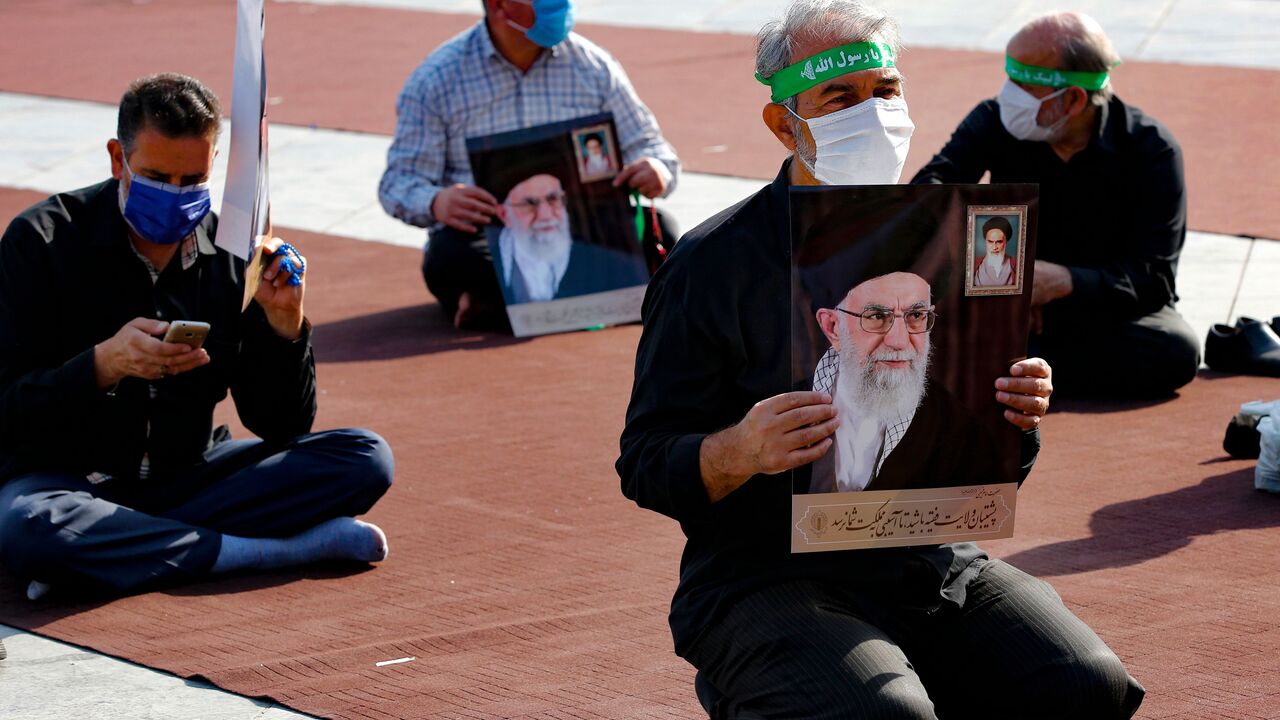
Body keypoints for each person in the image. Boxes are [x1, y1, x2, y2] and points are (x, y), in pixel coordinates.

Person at [617, 2, 1144, 717]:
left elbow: (990, 467)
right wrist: (735, 451)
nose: (873, 112)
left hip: (929, 560)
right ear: (784, 124)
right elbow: (645, 460)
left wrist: (1016, 418)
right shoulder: (714, 263)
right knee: (881, 714)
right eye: (840, 97)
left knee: (1086, 683)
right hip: (766, 574)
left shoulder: (948, 243)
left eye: (886, 91)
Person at [0, 74, 393, 600]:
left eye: (193, 182)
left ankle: (119, 552)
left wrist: (285, 326)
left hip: (189, 475)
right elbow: (6, 407)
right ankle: (273, 551)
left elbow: (280, 424)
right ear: (118, 159)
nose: (176, 196)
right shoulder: (42, 240)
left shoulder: (232, 250)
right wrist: (102, 365)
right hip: (67, 480)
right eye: (157, 177)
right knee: (30, 526)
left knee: (365, 457)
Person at [912, 12, 1199, 397]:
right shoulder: (993, 120)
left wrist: (1061, 282)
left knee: (1176, 349)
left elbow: (1153, 279)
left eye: (1022, 84)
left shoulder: (1150, 150)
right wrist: (1008, 277)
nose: (1006, 94)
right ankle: (1012, 371)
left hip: (1097, 313)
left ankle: (1011, 375)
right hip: (999, 299)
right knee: (913, 322)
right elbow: (926, 196)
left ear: (1074, 99)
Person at [379, 0, 680, 329]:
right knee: (447, 255)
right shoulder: (437, 80)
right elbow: (399, 182)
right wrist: (437, 202)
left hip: (589, 229)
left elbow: (651, 146)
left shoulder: (593, 67)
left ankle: (497, 309)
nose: (560, 5)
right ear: (499, 6)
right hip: (493, 234)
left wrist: (656, 168)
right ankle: (610, 300)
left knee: (662, 230)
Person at [808, 272, 1001, 493]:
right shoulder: (778, 404)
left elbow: (986, 503)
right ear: (833, 327)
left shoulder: (959, 429)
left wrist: (1025, 428)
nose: (899, 341)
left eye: (916, 315)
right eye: (877, 316)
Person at [493, 173, 648, 304]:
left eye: (553, 199)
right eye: (529, 204)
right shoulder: (490, 258)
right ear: (504, 215)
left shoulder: (603, 254)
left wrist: (656, 169)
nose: (545, 215)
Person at [974, 216, 1017, 287]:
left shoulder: (1016, 264)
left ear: (1006, 242)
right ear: (986, 242)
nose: (994, 247)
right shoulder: (975, 264)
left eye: (999, 242)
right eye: (990, 242)